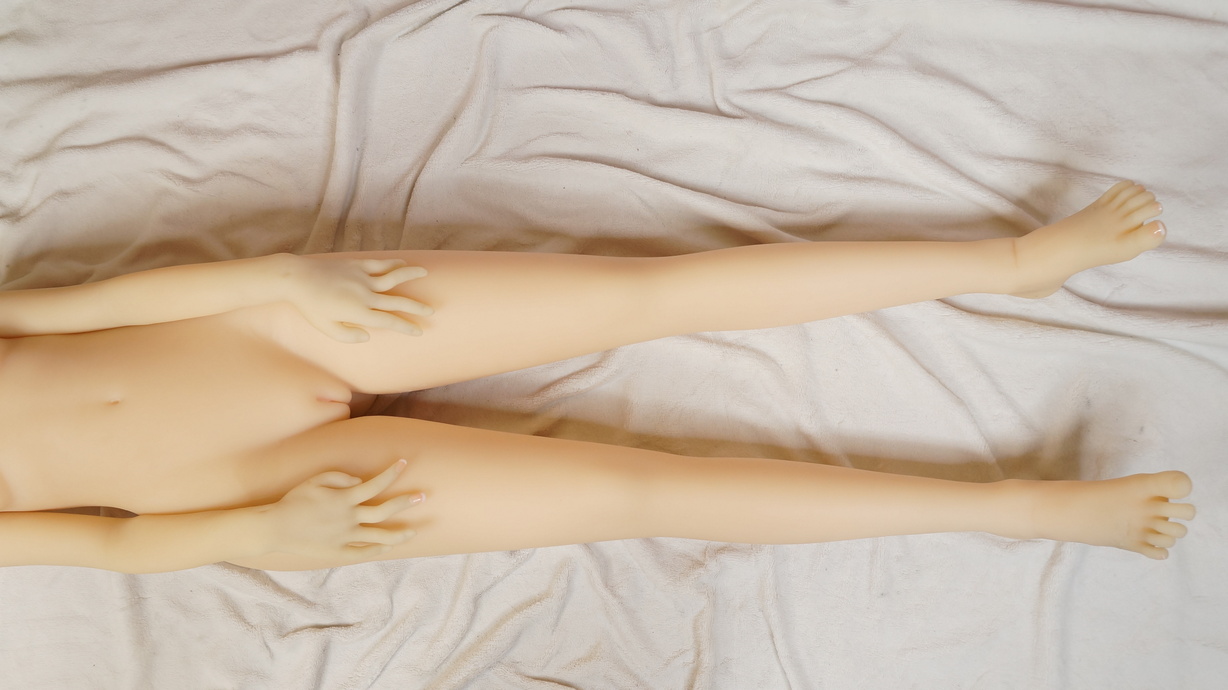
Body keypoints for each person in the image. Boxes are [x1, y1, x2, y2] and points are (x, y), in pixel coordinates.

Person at [0, 181, 1194, 574]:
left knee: (647, 294)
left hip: (274, 330)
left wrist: (287, 276)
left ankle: (1013, 263)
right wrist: (263, 533)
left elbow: (90, 306)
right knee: (637, 494)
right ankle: (1025, 510)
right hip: (262, 485)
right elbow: (107, 547)